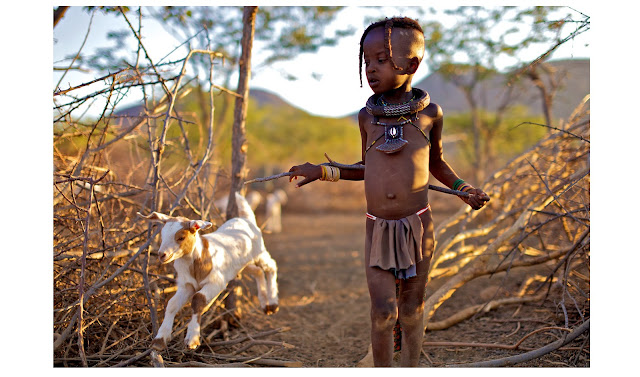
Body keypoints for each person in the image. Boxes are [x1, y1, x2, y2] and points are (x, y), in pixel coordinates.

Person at [287, 17, 490, 367]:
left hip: (418, 227)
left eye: (381, 59)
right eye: (367, 61)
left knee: (411, 312)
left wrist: (463, 189)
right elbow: (368, 168)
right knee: (382, 313)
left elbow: (436, 164)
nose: (371, 69)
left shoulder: (430, 115)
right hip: (377, 227)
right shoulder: (367, 118)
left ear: (411, 64)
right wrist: (322, 171)